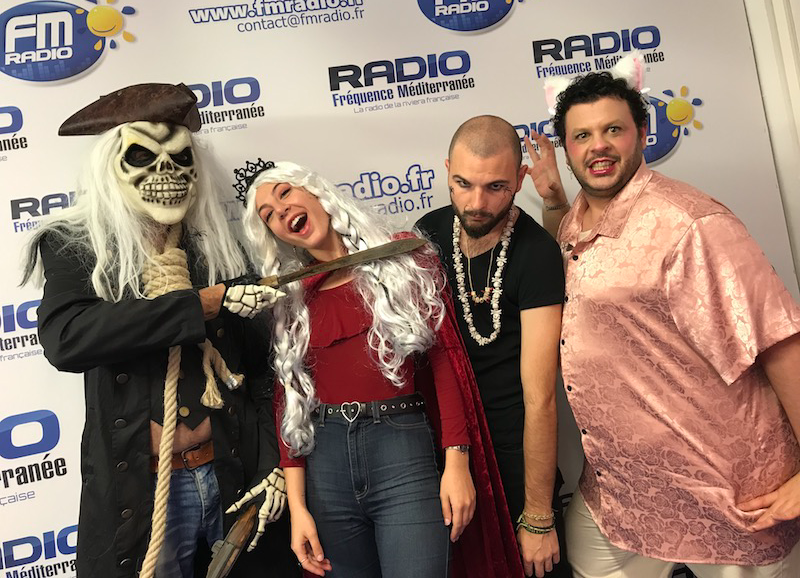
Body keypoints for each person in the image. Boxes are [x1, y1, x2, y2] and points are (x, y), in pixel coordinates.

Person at [527, 61, 800, 577]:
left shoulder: (691, 223)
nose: (598, 146)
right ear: (567, 149)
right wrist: (555, 203)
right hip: (623, 489)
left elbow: (778, 338)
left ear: (642, 132)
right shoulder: (575, 220)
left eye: (613, 130)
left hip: (727, 486)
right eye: (582, 136)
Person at [22, 83, 293, 578]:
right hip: (144, 488)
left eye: (180, 159)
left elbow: (262, 370)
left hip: (230, 471)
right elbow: (68, 338)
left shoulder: (214, 247)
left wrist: (272, 463)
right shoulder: (75, 245)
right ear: (112, 169)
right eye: (143, 158)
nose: (167, 174)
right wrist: (201, 305)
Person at [241, 160, 522, 578]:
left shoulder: (400, 258)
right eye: (268, 215)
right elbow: (289, 404)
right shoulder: (292, 301)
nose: (280, 211)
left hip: (401, 452)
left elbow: (443, 364)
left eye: (285, 194)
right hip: (326, 464)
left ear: (316, 192)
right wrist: (298, 508)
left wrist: (457, 463)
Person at [416, 116, 571, 578]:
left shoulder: (535, 253)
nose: (477, 203)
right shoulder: (428, 233)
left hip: (514, 452)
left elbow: (540, 398)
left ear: (520, 180)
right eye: (463, 184)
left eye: (496, 187)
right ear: (447, 170)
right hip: (442, 449)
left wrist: (538, 515)